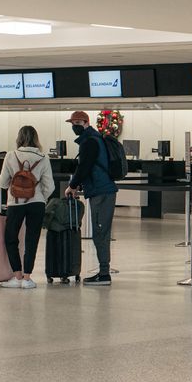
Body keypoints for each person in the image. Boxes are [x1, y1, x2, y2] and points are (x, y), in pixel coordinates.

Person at [0, 126, 56, 289]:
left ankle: (17, 276)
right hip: (37, 203)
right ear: (36, 138)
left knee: (11, 238)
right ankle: (28, 279)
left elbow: (1, 182)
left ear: (19, 138)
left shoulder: (11, 156)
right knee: (32, 239)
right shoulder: (44, 158)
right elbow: (50, 186)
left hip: (15, 203)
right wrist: (40, 197)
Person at [65, 110, 117, 286]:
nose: (74, 127)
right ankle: (103, 272)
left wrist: (73, 186)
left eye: (77, 123)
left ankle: (104, 274)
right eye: (72, 124)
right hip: (101, 189)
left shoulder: (90, 141)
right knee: (100, 232)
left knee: (100, 232)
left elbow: (85, 166)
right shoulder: (93, 139)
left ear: (86, 122)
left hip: (101, 191)